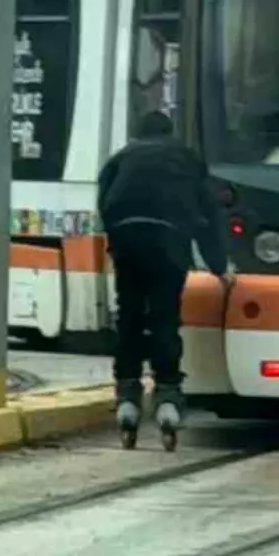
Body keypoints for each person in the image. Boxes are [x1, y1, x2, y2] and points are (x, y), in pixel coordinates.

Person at [98, 109, 230, 436]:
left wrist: (118, 242)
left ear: (138, 133)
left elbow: (104, 204)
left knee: (128, 312)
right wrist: (218, 265)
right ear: (169, 133)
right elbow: (208, 213)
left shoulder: (120, 158)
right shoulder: (187, 159)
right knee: (164, 315)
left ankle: (127, 391)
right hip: (168, 242)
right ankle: (168, 391)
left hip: (127, 239)